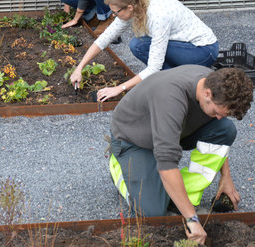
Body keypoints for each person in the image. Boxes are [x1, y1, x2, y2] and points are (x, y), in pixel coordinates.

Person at [108, 65, 253, 245]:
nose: (218, 118)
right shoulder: (170, 98)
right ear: (207, 94)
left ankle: (179, 196)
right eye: (216, 112)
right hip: (135, 140)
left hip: (174, 131)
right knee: (152, 213)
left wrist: (226, 177)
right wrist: (192, 219)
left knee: (225, 130)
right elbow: (167, 164)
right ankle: (119, 167)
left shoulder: (214, 82)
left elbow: (221, 130)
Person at [70, 0, 219, 101]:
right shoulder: (136, 6)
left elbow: (154, 67)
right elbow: (104, 38)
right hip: (183, 46)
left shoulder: (158, 16)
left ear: (129, 7)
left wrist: (119, 88)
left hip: (203, 50)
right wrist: (79, 68)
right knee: (138, 45)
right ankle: (174, 79)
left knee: (140, 46)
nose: (114, 16)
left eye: (115, 12)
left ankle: (181, 83)